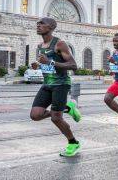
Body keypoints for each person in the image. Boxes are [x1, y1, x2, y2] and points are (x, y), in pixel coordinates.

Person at [30, 17, 83, 157]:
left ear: (51, 27)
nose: (38, 25)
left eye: (42, 24)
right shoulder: (41, 45)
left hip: (61, 84)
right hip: (47, 84)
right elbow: (46, 62)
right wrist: (38, 64)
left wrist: (50, 62)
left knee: (55, 118)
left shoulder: (59, 44)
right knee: (35, 115)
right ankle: (67, 108)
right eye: (38, 23)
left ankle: (73, 143)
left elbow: (73, 66)